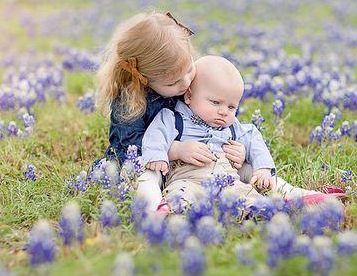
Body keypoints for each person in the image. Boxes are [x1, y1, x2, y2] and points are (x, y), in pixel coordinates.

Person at [142, 55, 344, 210]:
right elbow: (154, 136)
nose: (223, 111)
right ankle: (169, 214)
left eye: (232, 107)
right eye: (215, 102)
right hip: (188, 177)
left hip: (228, 179)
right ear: (188, 96)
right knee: (181, 198)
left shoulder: (232, 126)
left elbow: (253, 138)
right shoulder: (173, 118)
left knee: (248, 196)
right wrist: (171, 152)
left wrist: (263, 168)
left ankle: (286, 203)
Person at [96, 12, 248, 212]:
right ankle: (154, 206)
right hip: (151, 161)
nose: (186, 83)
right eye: (173, 82)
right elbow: (128, 147)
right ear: (144, 79)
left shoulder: (186, 82)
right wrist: (175, 150)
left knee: (244, 166)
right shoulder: (129, 101)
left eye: (188, 70)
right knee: (144, 175)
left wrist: (238, 148)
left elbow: (215, 116)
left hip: (193, 161)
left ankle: (280, 191)